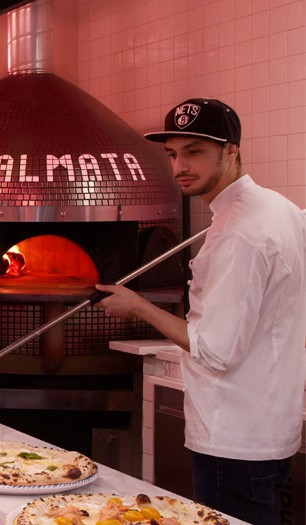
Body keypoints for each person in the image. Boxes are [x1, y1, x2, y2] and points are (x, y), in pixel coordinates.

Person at [93, 98, 306, 525]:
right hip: (270, 422)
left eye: (195, 151)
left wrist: (138, 306)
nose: (179, 166)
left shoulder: (238, 232)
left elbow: (216, 350)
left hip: (234, 436)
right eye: (172, 153)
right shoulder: (278, 207)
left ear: (231, 150)